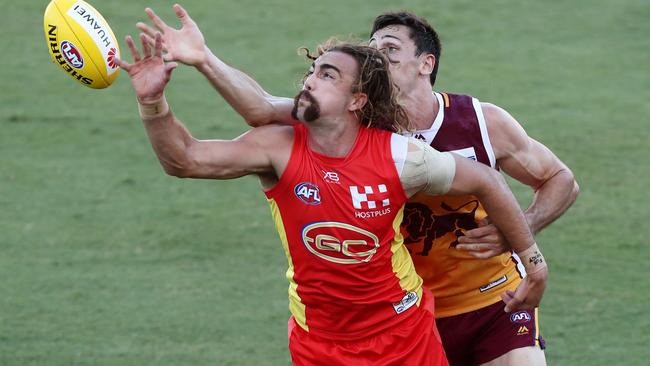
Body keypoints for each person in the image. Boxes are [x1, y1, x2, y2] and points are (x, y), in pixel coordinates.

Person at [134, 5, 571, 365]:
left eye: (390, 47)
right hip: (361, 326)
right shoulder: (330, 128)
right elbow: (254, 110)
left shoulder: (464, 129)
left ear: (426, 64)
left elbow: (548, 180)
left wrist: (525, 242)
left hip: (483, 304)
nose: (378, 54)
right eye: (373, 47)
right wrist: (183, 74)